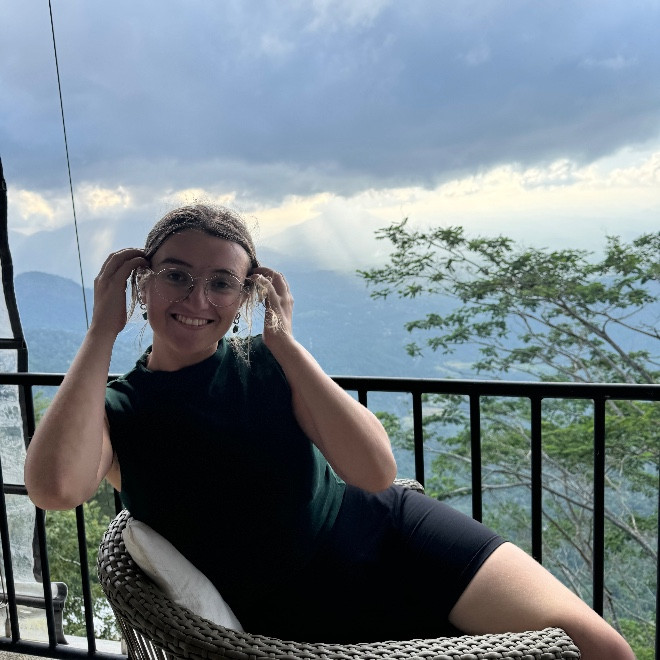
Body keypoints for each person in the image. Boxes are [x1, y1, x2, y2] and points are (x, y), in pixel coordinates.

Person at [25, 204, 633, 658]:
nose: (198, 298)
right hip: (301, 608)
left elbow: (375, 472)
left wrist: (285, 344)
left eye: (222, 282)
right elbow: (54, 489)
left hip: (394, 533)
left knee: (599, 647)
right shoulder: (120, 410)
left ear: (244, 297)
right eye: (176, 275)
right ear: (142, 283)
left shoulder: (267, 366)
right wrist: (101, 330)